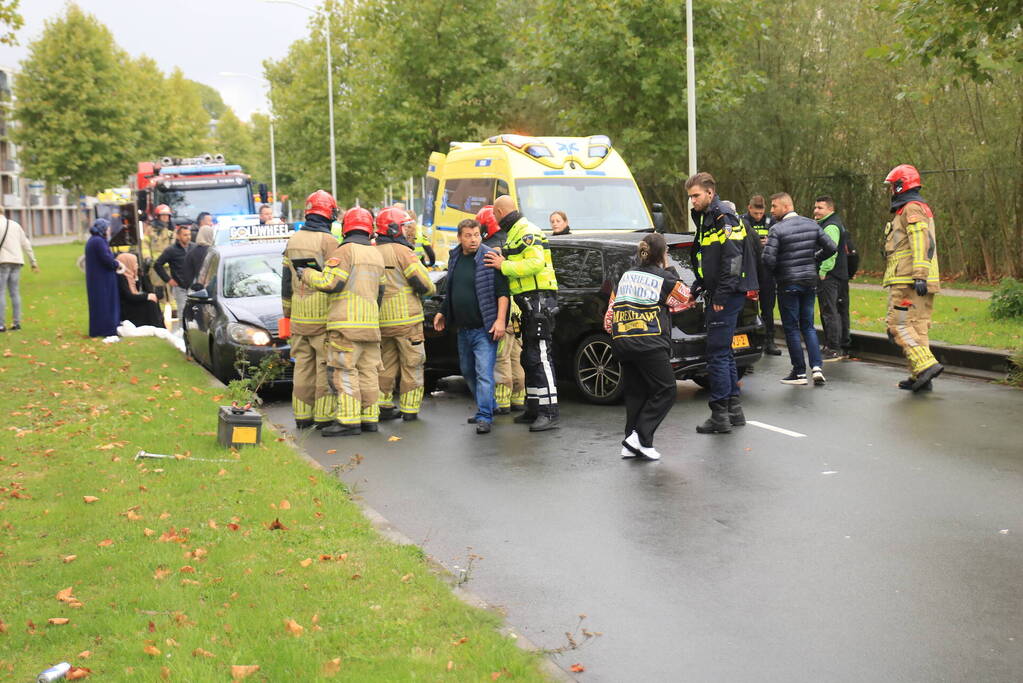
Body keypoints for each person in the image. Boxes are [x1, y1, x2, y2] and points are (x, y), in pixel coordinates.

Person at [299, 207, 386, 436]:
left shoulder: (344, 252)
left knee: (344, 371)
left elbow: (331, 283)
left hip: (346, 325)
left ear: (346, 227)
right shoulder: (376, 254)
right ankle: (369, 418)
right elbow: (381, 291)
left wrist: (306, 274)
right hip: (370, 325)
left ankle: (348, 421)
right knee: (368, 372)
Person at [603, 233, 691, 460]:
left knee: (636, 393)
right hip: (650, 340)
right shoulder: (663, 277)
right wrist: (669, 268)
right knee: (667, 389)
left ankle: (634, 445)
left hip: (622, 341)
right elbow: (683, 299)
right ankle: (639, 437)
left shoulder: (626, 276)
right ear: (662, 254)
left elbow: (611, 312)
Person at [687, 172, 759, 434]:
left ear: (710, 192)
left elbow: (732, 259)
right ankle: (733, 410)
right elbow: (711, 259)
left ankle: (719, 415)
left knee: (716, 354)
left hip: (726, 295)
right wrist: (700, 285)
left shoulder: (722, 217)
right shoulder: (709, 217)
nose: (692, 201)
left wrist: (720, 295)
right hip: (723, 291)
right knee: (725, 353)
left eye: (695, 196)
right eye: (690, 197)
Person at [483, 195, 560, 432]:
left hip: (538, 299)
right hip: (527, 301)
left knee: (541, 357)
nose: (495, 220)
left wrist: (502, 265)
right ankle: (535, 407)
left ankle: (550, 412)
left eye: (495, 215)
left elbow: (535, 263)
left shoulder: (526, 230)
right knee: (529, 357)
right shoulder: (516, 231)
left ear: (499, 211)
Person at [434, 219, 510, 434]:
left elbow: (503, 293)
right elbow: (451, 289)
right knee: (468, 371)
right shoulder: (455, 256)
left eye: (476, 234)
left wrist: (500, 320)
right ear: (459, 237)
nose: (473, 239)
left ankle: (485, 416)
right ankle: (489, 406)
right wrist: (443, 312)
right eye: (468, 235)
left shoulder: (489, 257)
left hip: (484, 329)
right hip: (463, 329)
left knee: (484, 373)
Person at [761, 192, 836, 387]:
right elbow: (831, 247)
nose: (771, 210)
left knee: (792, 328)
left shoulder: (777, 229)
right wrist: (814, 260)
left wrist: (780, 270)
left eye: (774, 206)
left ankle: (799, 372)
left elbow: (768, 259)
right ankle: (817, 368)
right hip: (810, 281)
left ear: (786, 207)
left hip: (788, 283)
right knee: (808, 326)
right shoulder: (812, 224)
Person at [282, 190, 342, 429]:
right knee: (323, 367)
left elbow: (286, 280)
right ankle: (323, 416)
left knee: (302, 366)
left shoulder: (293, 240)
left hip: (298, 315)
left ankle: (302, 415)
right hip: (323, 316)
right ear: (330, 214)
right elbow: (335, 280)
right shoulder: (329, 242)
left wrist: (287, 313)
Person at [882, 164, 943, 392]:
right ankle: (921, 374)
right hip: (922, 279)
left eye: (892, 186)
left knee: (898, 325)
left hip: (908, 279)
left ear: (900, 186)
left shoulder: (911, 207)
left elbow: (920, 238)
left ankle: (927, 366)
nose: (890, 191)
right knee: (918, 326)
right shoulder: (918, 207)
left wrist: (918, 274)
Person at [374, 207, 436, 422]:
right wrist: (428, 292)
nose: (408, 232)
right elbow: (424, 284)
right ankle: (410, 410)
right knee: (412, 364)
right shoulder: (403, 252)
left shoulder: (373, 250)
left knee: (385, 363)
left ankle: (383, 405)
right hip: (408, 321)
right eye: (404, 227)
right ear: (393, 229)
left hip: (381, 321)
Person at [477, 205, 524, 413]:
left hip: (502, 309)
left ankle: (502, 402)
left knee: (501, 358)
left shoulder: (490, 251)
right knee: (516, 356)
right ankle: (518, 398)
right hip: (518, 310)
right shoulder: (511, 242)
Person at [813, 196, 852, 360]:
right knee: (841, 310)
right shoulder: (836, 223)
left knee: (829, 310)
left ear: (830, 209)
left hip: (830, 275)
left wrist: (823, 270)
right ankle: (843, 344)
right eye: (815, 207)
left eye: (820, 208)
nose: (816, 210)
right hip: (841, 274)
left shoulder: (830, 226)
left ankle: (833, 347)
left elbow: (831, 250)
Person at [742, 195, 781, 355]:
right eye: (755, 213)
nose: (758, 216)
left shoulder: (771, 221)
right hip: (749, 269)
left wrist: (769, 242)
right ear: (749, 208)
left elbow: (779, 240)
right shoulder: (742, 221)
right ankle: (748, 344)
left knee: (768, 307)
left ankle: (769, 341)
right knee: (747, 309)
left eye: (761, 213)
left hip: (766, 269)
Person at [0, 208, 38, 332]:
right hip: (17, 262)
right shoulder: (15, 225)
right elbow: (26, 243)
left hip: (2, 262)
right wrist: (33, 261)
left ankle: (1, 324)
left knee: (1, 293)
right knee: (14, 293)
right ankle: (17, 324)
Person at [84, 218, 122, 338]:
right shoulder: (99, 241)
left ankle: (98, 329)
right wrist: (117, 264)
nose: (109, 231)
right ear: (103, 229)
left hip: (97, 278)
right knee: (106, 304)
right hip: (102, 279)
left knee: (98, 305)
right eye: (108, 228)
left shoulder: (94, 240)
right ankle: (107, 329)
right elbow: (106, 258)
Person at [153, 224, 193, 320]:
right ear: (178, 236)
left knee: (195, 313)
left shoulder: (194, 248)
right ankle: (182, 332)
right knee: (182, 312)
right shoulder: (171, 250)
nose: (188, 237)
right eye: (185, 235)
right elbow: (157, 264)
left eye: (189, 234)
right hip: (180, 287)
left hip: (194, 287)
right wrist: (168, 280)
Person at [115, 253, 164, 328]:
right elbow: (129, 296)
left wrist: (141, 276)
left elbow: (149, 290)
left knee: (153, 299)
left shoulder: (131, 276)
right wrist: (147, 296)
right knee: (150, 303)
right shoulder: (121, 278)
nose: (137, 265)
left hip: (133, 303)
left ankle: (161, 327)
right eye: (135, 263)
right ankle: (158, 327)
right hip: (127, 309)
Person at [143, 204, 175, 297]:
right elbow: (145, 245)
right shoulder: (151, 229)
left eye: (167, 215)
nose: (166, 217)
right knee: (159, 293)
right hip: (155, 266)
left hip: (170, 266)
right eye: (163, 215)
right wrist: (147, 257)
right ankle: (160, 311)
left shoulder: (172, 229)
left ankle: (174, 311)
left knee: (172, 293)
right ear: (158, 216)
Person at [182, 213, 214, 290]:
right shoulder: (214, 252)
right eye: (209, 221)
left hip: (196, 289)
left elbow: (186, 274)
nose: (211, 223)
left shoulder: (191, 252)